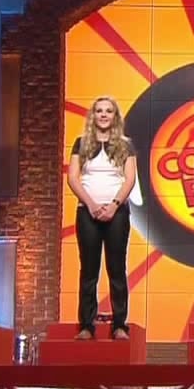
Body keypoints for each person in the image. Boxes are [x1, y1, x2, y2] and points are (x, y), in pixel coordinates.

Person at [67, 96, 137, 340]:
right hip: (88, 212)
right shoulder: (81, 143)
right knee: (89, 270)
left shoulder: (126, 145)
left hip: (117, 213)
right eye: (99, 111)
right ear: (93, 116)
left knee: (116, 268)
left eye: (108, 111)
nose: (104, 115)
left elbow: (130, 179)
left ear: (115, 116)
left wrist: (113, 206)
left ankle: (119, 325)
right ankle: (87, 325)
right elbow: (73, 178)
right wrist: (92, 205)